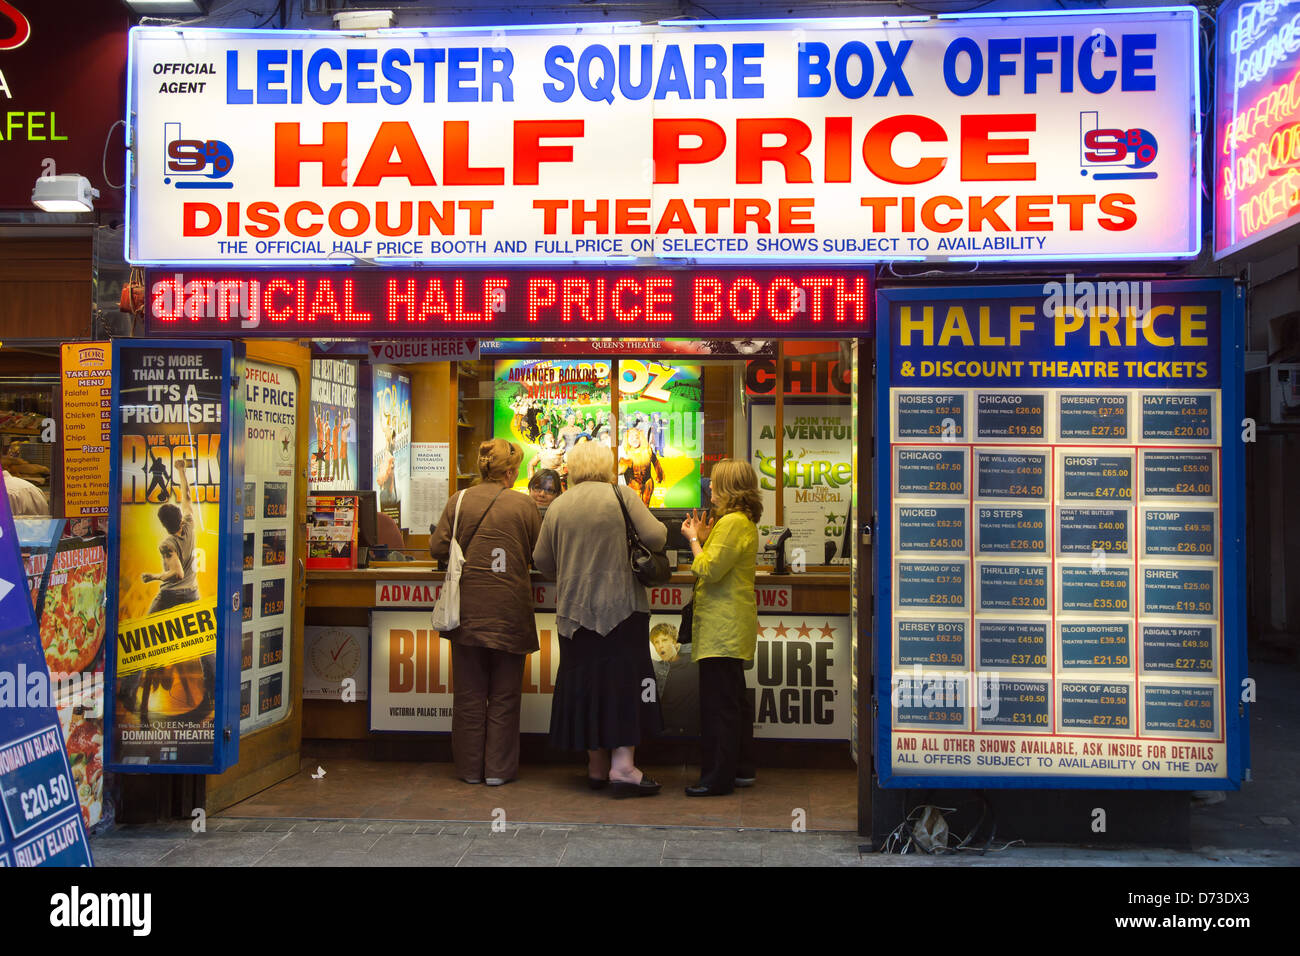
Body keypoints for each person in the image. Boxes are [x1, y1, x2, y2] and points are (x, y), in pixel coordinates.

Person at [532, 440, 666, 797]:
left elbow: (542, 562)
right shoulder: (622, 496)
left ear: (571, 468)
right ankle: (623, 768)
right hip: (622, 609)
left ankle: (596, 766)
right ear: (607, 465)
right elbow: (658, 536)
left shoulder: (559, 505)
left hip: (574, 615)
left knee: (586, 687)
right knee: (624, 687)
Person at [429, 439, 541, 787]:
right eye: (516, 470)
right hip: (509, 610)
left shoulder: (459, 500)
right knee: (505, 695)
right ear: (509, 472)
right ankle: (498, 770)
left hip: (467, 612)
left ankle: (468, 769)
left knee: (468, 695)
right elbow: (541, 554)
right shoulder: (524, 505)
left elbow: (437, 547)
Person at [680, 459, 761, 796]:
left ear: (729, 489)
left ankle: (717, 778)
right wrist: (705, 536)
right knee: (733, 701)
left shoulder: (732, 523)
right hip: (731, 625)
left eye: (715, 483)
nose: (710, 488)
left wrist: (693, 540)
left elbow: (708, 570)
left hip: (721, 628)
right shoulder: (739, 522)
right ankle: (740, 768)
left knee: (718, 706)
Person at [142, 459, 199, 614]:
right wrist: (181, 470)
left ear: (164, 525)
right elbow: (186, 496)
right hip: (193, 593)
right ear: (180, 518)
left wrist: (152, 577)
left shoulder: (167, 544)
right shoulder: (188, 524)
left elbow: (177, 573)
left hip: (171, 595)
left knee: (146, 627)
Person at [619, 423, 664, 507]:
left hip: (647, 482)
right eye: (631, 437)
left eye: (636, 437)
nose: (634, 439)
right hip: (633, 484)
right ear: (627, 439)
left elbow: (656, 462)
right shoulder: (626, 453)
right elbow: (620, 470)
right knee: (635, 506)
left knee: (645, 505)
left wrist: (659, 475)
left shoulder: (647, 451)